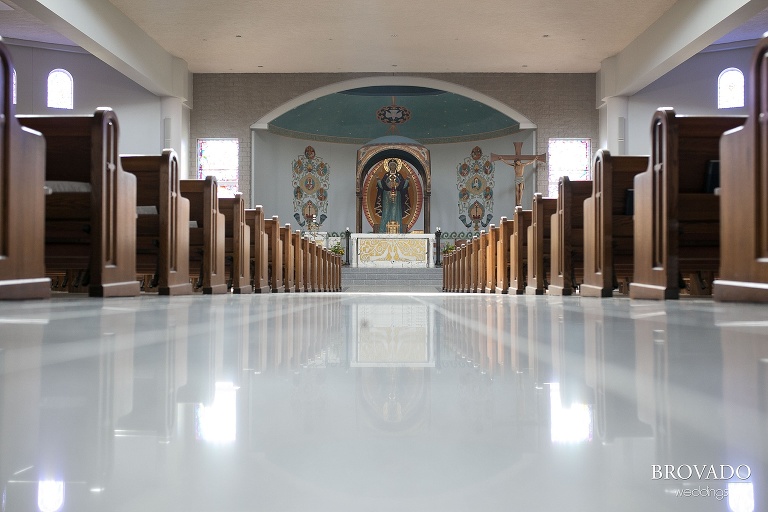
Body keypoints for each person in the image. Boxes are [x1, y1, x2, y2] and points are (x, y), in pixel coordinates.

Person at [376, 159, 409, 233]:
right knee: (386, 211)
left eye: (394, 165)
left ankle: (397, 230)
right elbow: (382, 186)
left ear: (396, 166)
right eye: (391, 165)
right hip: (387, 195)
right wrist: (378, 180)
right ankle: (383, 230)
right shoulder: (386, 175)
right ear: (389, 166)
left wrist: (407, 180)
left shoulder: (399, 175)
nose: (392, 166)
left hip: (397, 195)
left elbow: (403, 187)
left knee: (395, 211)